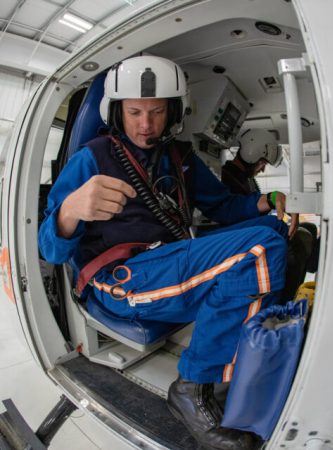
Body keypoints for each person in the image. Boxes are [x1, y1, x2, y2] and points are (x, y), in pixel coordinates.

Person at [39, 56, 298, 450]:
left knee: (273, 229)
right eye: (135, 112)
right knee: (260, 249)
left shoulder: (183, 159)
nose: (146, 124)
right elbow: (50, 249)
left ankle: (255, 348)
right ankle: (192, 388)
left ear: (173, 112)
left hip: (169, 265)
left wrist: (266, 201)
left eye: (157, 111)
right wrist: (70, 211)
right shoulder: (91, 158)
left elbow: (226, 207)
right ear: (116, 112)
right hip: (120, 281)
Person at [222, 129, 317, 300]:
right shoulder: (229, 178)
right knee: (302, 237)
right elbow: (237, 213)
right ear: (252, 155)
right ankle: (282, 302)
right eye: (262, 163)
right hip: (243, 238)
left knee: (309, 227)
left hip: (252, 232)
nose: (263, 169)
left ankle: (312, 268)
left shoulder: (245, 179)